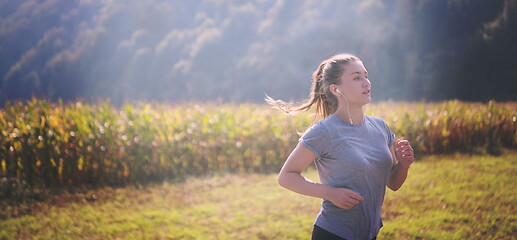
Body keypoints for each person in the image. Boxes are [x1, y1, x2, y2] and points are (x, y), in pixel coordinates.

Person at [266, 53, 415, 240]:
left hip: (369, 233)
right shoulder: (324, 131)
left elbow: (393, 183)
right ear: (336, 89)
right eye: (356, 78)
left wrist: (403, 165)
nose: (366, 82)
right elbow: (286, 177)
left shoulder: (380, 127)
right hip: (333, 233)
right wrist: (329, 193)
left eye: (366, 75)